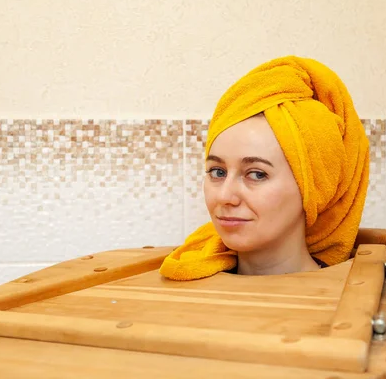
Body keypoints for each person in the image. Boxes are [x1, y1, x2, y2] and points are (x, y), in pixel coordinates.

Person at [159, 56, 370, 280]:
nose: (224, 196)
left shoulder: (351, 302)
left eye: (257, 174)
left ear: (314, 189)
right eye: (217, 172)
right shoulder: (180, 283)